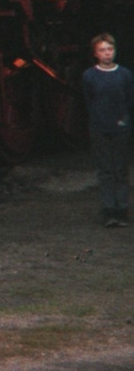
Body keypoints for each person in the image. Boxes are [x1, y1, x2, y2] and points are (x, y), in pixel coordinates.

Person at [82, 33, 134, 228]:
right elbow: (88, 100)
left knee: (120, 169)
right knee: (105, 170)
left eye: (109, 49)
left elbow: (129, 99)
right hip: (99, 127)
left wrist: (123, 119)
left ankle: (122, 209)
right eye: (102, 50)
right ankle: (108, 210)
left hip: (120, 127)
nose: (107, 53)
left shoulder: (125, 74)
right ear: (96, 54)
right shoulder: (89, 76)